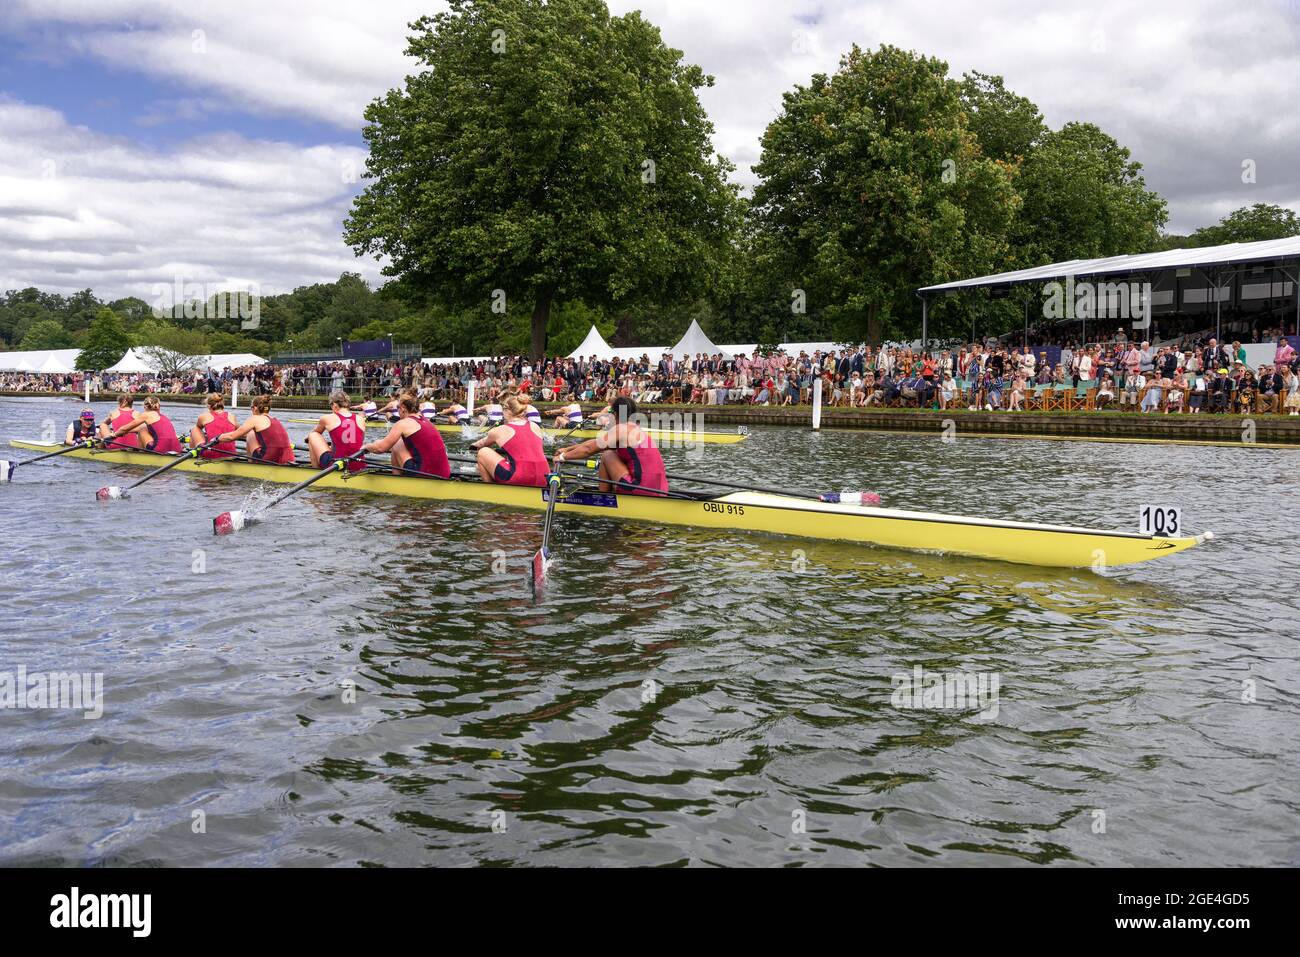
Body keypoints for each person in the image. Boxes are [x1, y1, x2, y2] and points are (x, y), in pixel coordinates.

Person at [551, 395, 668, 495]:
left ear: (615, 414)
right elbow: (594, 443)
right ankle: (609, 492)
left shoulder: (620, 429)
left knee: (607, 455)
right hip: (661, 489)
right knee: (609, 452)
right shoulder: (637, 430)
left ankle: (603, 498)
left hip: (640, 488)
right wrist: (567, 449)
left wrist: (562, 457)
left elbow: (588, 450)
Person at [472, 392, 549, 486]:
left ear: (507, 411)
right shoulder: (535, 426)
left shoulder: (499, 430)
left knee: (483, 452)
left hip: (520, 477)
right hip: (545, 477)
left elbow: (480, 444)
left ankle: (489, 488)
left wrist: (472, 446)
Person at [363, 394, 450, 477]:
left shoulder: (403, 423)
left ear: (403, 408)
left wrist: (366, 447)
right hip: (445, 473)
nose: (397, 410)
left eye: (398, 408)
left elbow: (381, 448)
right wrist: (378, 444)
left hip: (425, 473)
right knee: (399, 442)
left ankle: (396, 480)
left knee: (396, 445)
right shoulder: (426, 421)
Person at [218, 394, 295, 464]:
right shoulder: (275, 420)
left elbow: (232, 437)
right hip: (288, 458)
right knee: (253, 434)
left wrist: (217, 438)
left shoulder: (255, 419)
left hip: (269, 458)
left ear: (255, 408)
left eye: (251, 408)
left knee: (250, 434)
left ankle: (251, 465)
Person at [307, 390, 367, 471]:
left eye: (330, 405)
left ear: (334, 405)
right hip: (359, 465)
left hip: (336, 465)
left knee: (312, 435)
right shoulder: (361, 419)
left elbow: (315, 433)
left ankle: (314, 470)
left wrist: (308, 440)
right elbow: (356, 442)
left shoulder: (327, 418)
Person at [103, 395, 182, 453]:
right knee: (143, 428)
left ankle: (140, 454)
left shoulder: (146, 414)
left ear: (145, 407)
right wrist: (124, 433)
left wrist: (114, 435)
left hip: (160, 449)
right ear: (159, 406)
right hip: (177, 448)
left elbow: (125, 428)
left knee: (142, 430)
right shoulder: (164, 417)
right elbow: (128, 430)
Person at [189, 392, 239, 459]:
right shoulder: (232, 416)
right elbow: (240, 432)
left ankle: (193, 456)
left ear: (209, 406)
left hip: (211, 454)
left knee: (194, 429)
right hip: (231, 454)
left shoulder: (204, 416)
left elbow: (199, 428)